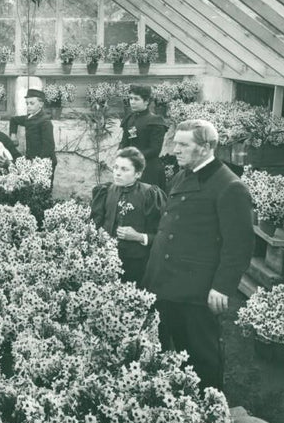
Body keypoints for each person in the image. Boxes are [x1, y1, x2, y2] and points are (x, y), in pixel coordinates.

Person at [142, 119, 254, 390]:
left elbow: (239, 244)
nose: (175, 149)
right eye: (175, 142)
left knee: (201, 355)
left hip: (196, 288)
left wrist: (222, 286)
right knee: (171, 350)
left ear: (205, 148)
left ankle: (208, 409)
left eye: (183, 144)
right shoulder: (183, 174)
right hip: (167, 280)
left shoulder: (229, 186)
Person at [91, 147, 166, 285]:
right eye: (116, 167)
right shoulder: (105, 191)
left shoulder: (150, 195)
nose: (117, 173)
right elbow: (95, 226)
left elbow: (163, 235)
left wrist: (138, 236)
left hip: (137, 265)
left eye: (124, 169)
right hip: (105, 261)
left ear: (137, 174)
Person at [119, 84, 168, 190]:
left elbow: (155, 150)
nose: (132, 102)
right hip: (130, 168)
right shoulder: (129, 119)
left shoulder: (155, 121)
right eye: (131, 98)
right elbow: (124, 142)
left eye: (136, 99)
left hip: (149, 169)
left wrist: (133, 157)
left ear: (146, 101)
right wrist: (120, 155)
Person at [9, 88, 57, 185]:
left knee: (43, 188)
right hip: (31, 160)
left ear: (41, 104)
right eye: (27, 103)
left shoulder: (45, 121)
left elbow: (49, 146)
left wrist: (39, 163)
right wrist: (13, 135)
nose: (28, 106)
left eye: (32, 103)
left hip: (44, 161)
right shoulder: (30, 117)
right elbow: (13, 120)